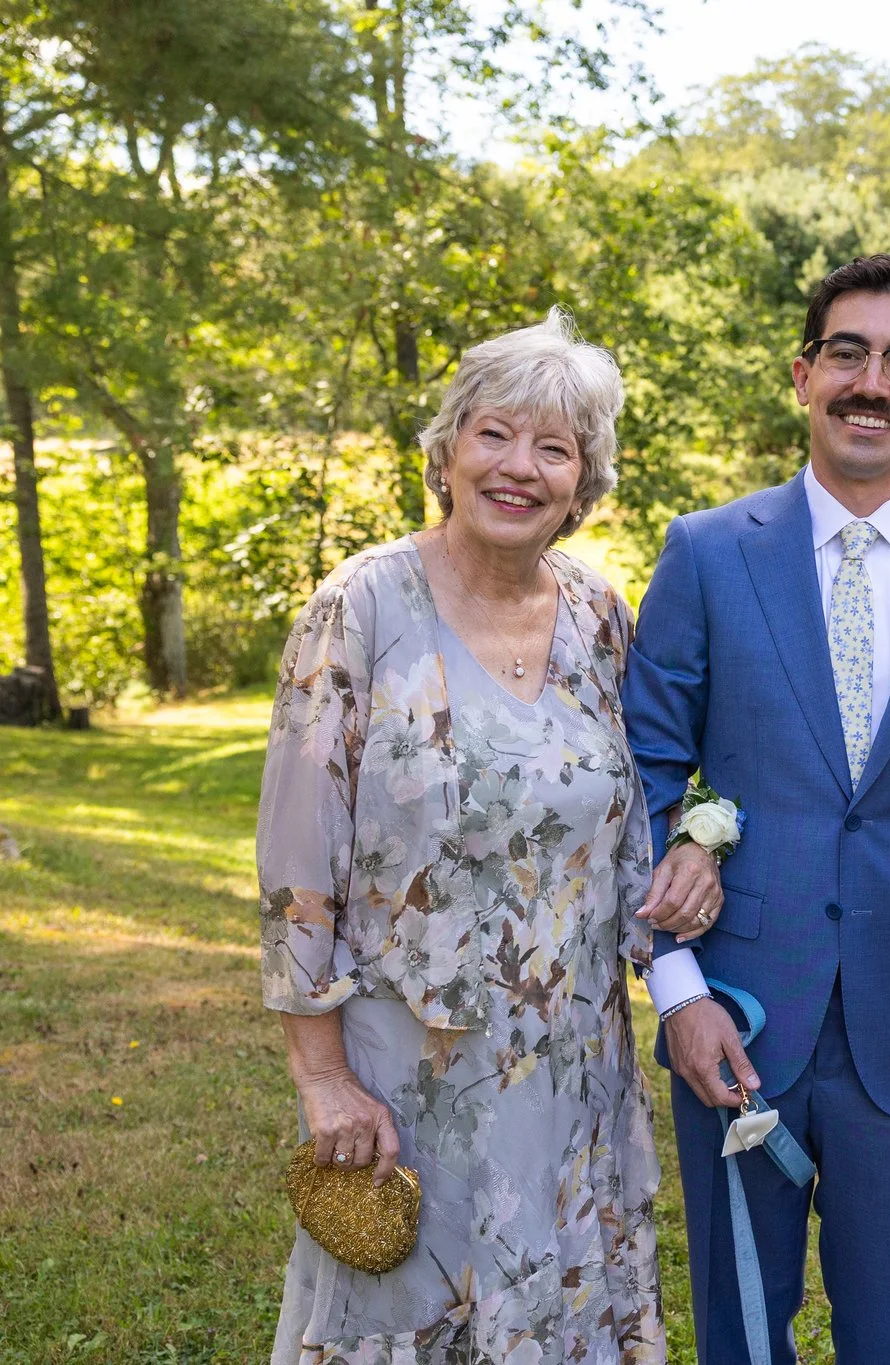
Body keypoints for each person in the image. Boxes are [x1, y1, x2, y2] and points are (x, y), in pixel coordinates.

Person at [623, 254, 890, 1365]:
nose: (873, 382)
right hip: (738, 1012)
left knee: (884, 1332)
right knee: (739, 1328)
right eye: (847, 355)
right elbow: (645, 775)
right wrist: (676, 990)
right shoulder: (707, 553)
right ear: (803, 376)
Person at [257, 309, 667, 1362]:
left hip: (573, 1069)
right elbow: (299, 869)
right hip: (410, 1072)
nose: (518, 467)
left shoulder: (599, 618)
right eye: (495, 434)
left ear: (585, 482)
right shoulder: (361, 606)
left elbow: (633, 823)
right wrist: (322, 1076)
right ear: (446, 452)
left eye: (554, 447)